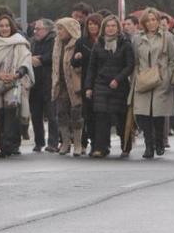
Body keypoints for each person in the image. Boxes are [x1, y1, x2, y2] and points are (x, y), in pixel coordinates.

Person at [0, 14, 33, 158]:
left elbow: (26, 60)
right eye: (2, 26)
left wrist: (16, 74)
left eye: (7, 26)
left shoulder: (19, 41)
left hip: (14, 82)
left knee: (11, 114)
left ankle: (7, 146)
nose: (4, 28)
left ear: (11, 27)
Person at [84, 15, 134, 158]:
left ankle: (126, 145)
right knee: (101, 117)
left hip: (119, 85)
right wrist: (88, 87)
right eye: (108, 26)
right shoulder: (98, 44)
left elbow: (129, 65)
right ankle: (101, 147)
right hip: (101, 84)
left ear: (118, 28)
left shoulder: (125, 43)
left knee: (121, 117)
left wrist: (118, 79)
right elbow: (92, 67)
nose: (110, 28)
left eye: (113, 26)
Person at [132, 8, 174, 159]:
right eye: (148, 20)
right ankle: (148, 146)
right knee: (143, 114)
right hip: (143, 79)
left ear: (158, 21)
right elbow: (135, 60)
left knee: (158, 114)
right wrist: (136, 77)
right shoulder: (137, 38)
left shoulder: (167, 37)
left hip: (161, 79)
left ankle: (159, 142)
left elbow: (173, 59)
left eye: (154, 20)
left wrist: (168, 76)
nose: (151, 23)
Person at [52, 18, 85, 156]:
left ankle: (77, 143)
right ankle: (65, 142)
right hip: (60, 85)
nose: (59, 32)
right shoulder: (57, 43)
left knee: (76, 114)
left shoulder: (78, 43)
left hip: (74, 85)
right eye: (58, 29)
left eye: (61, 29)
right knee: (61, 114)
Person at [72, 14, 103, 151]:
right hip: (87, 81)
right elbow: (74, 63)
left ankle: (101, 143)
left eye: (95, 24)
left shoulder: (104, 41)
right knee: (88, 114)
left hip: (103, 81)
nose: (92, 27)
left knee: (101, 114)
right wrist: (77, 58)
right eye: (90, 24)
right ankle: (93, 142)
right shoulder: (81, 42)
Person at [30, 19, 59, 152]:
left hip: (49, 82)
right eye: (35, 29)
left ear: (47, 30)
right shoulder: (33, 42)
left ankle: (53, 142)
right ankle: (38, 142)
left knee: (52, 114)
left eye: (38, 29)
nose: (35, 31)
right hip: (35, 83)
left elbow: (52, 56)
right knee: (36, 115)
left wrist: (40, 59)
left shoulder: (54, 40)